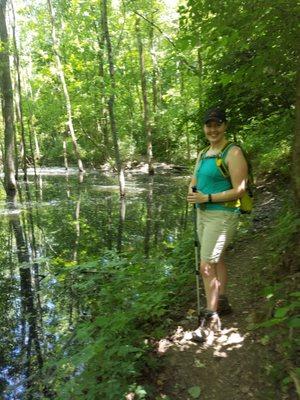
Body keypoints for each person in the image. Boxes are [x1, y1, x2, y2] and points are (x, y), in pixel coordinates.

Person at [187, 107, 248, 342]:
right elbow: (194, 180)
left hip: (222, 215)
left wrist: (208, 198)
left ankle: (211, 320)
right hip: (203, 214)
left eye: (217, 124)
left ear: (225, 126)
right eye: (208, 125)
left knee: (205, 266)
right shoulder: (203, 154)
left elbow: (239, 190)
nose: (212, 129)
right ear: (204, 128)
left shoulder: (233, 153)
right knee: (217, 259)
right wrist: (192, 193)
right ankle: (222, 301)